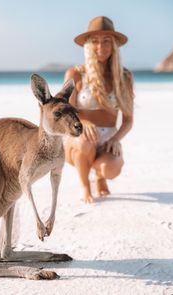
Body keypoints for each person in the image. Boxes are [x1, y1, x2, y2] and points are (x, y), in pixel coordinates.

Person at [64, 16, 134, 203]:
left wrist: (116, 139)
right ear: (87, 45)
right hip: (78, 139)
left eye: (106, 41)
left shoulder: (124, 77)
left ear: (113, 46)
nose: (100, 47)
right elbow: (65, 112)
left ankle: (100, 176)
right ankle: (85, 185)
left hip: (107, 139)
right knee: (85, 141)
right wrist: (83, 123)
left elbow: (128, 120)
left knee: (112, 168)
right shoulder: (76, 73)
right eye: (94, 41)